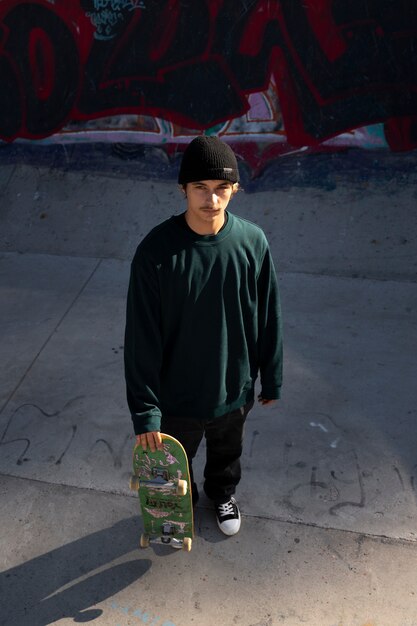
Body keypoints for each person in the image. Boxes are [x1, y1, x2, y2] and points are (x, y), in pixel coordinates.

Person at [124, 136, 283, 536]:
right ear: (183, 189)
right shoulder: (156, 252)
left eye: (221, 189)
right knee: (179, 460)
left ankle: (222, 492)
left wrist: (272, 375)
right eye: (201, 188)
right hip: (177, 395)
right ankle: (184, 499)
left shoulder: (252, 242)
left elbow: (268, 314)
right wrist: (146, 412)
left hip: (235, 386)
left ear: (234, 190)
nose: (212, 200)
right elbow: (141, 336)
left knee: (227, 453)